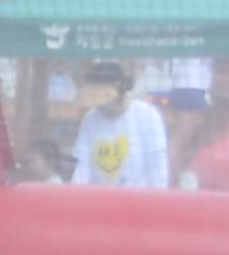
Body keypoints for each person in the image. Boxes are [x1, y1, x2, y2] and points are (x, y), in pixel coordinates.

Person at [70, 61, 170, 190]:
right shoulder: (90, 119)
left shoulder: (148, 116)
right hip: (99, 201)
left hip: (137, 200)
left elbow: (157, 169)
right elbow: (82, 168)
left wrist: (156, 203)